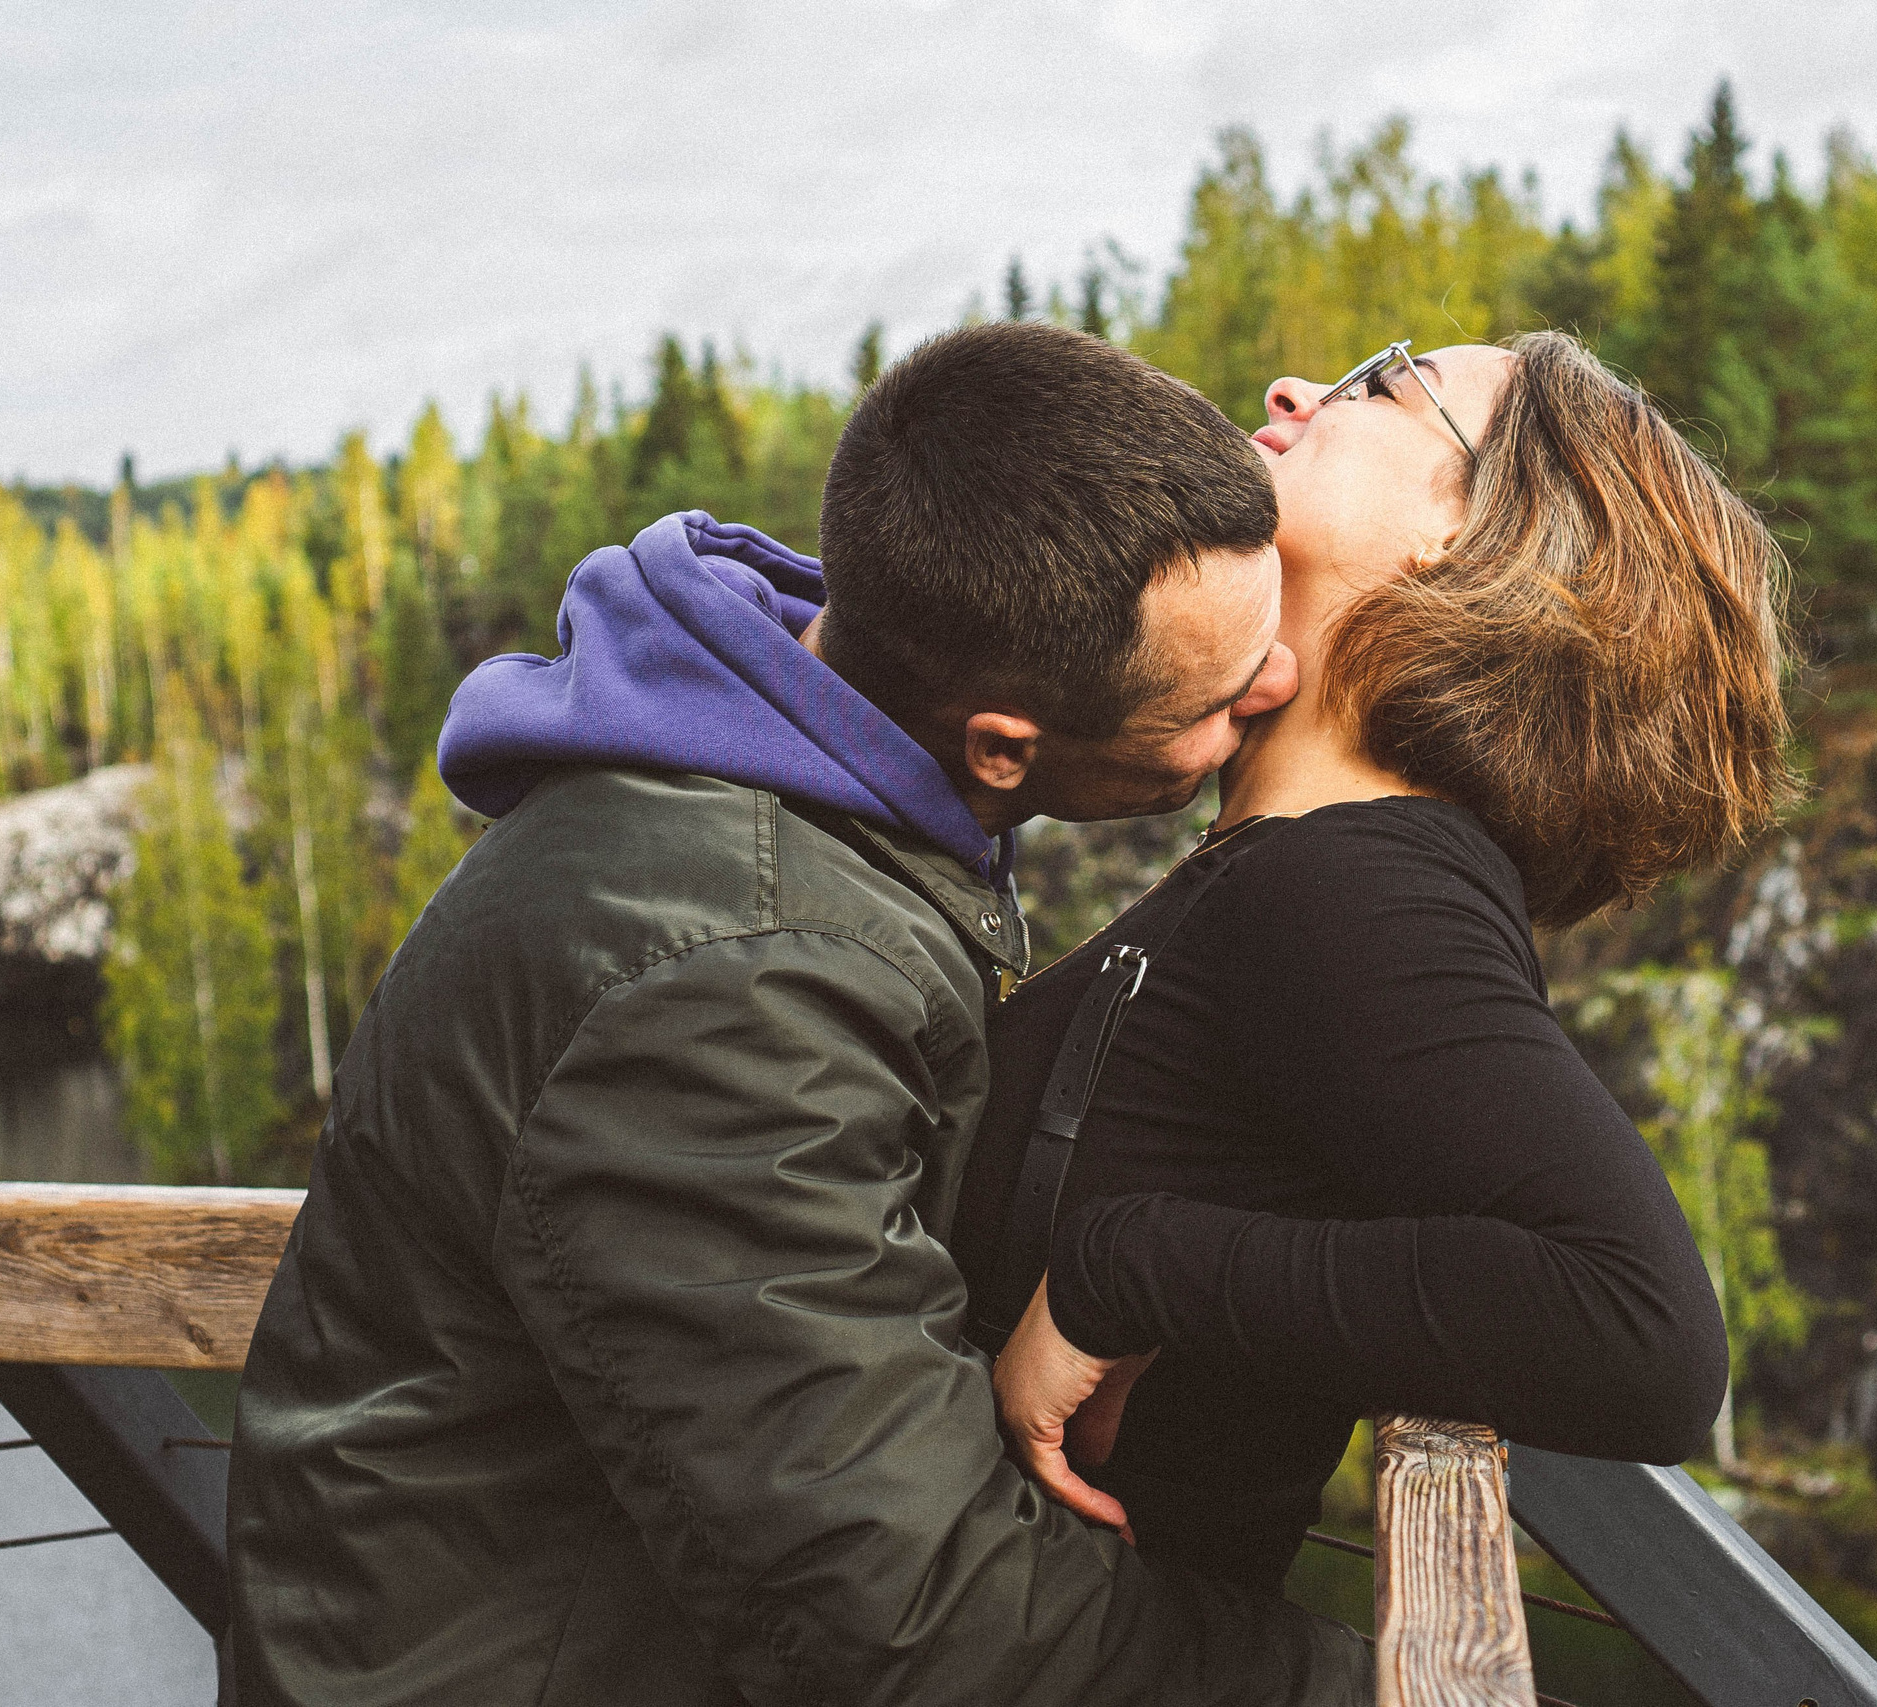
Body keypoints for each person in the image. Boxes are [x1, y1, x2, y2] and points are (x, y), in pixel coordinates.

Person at [224, 322, 1369, 1706]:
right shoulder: (723, 983)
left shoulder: (794, 787)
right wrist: (1364, 1683)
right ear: (1005, 743)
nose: (1280, 684)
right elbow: (906, 1612)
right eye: (1218, 690)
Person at [958, 331, 1793, 1590]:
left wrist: (1129, 1269)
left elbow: (1642, 1339)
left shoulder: (1354, 881)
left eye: (1383, 385)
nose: (1293, 389)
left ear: (1474, 545)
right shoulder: (1307, 869)